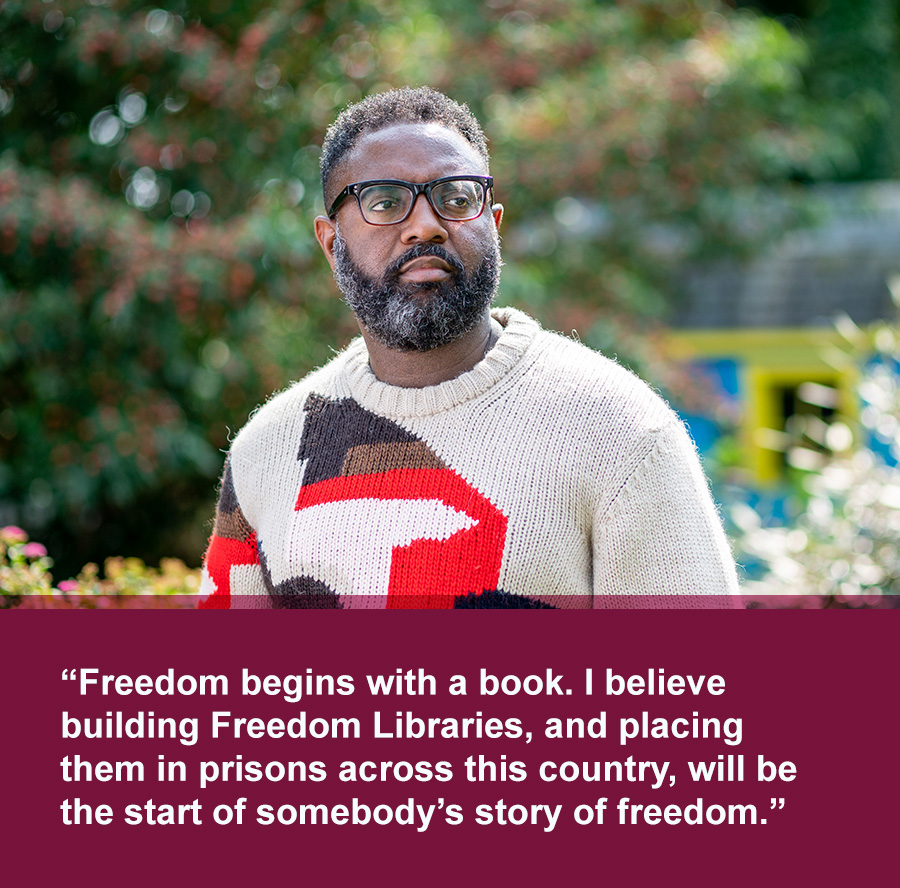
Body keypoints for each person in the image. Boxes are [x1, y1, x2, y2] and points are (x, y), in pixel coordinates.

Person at [199, 86, 738, 609]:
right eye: (384, 202)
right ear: (330, 240)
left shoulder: (620, 431)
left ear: (493, 224)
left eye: (456, 197)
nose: (425, 227)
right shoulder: (266, 452)